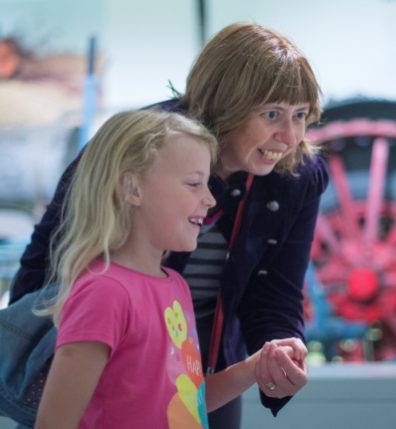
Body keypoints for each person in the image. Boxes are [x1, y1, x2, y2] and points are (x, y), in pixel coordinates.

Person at [10, 22, 328, 428]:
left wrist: (274, 358)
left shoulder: (295, 178)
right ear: (228, 102)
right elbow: (50, 254)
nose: (288, 136)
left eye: (300, 115)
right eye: (271, 114)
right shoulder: (141, 147)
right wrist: (33, 364)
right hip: (103, 353)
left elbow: (274, 292)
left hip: (195, 362)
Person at [34, 109, 301, 429]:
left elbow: (184, 402)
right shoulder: (103, 293)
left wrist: (251, 368)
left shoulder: (175, 285)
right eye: (193, 184)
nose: (210, 200)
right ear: (132, 188)